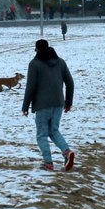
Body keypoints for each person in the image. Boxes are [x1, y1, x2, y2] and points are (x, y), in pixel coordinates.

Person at [22, 39, 75, 171]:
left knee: (41, 134)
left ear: (37, 50)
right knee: (54, 130)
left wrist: (25, 106)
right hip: (58, 103)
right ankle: (67, 152)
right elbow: (70, 83)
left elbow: (30, 87)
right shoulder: (60, 62)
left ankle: (48, 163)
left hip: (42, 104)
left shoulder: (34, 64)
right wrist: (68, 102)